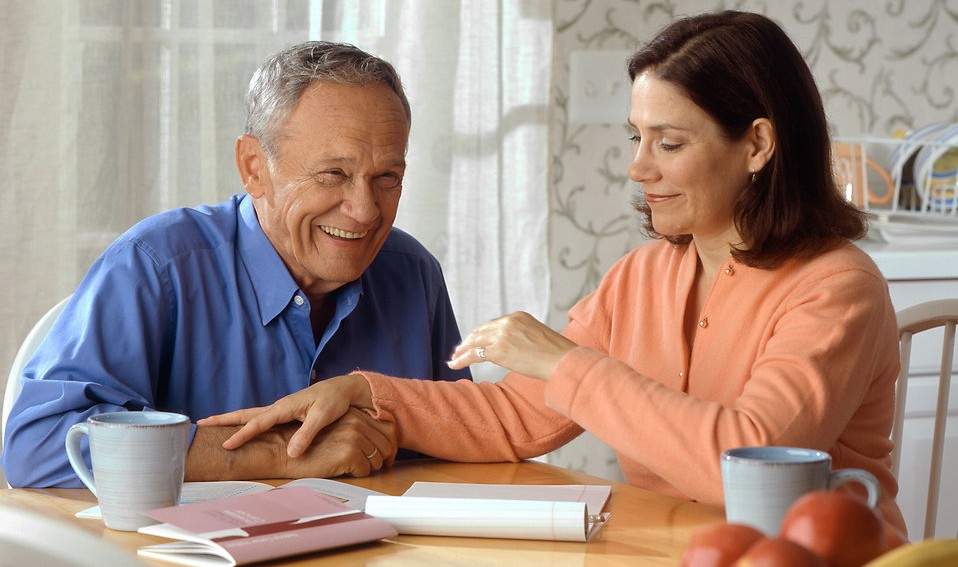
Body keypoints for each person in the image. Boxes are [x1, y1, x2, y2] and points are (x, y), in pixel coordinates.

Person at [203, 11, 907, 534]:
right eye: (637, 138)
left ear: (756, 144)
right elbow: (516, 415)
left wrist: (565, 360)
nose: (638, 167)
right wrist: (362, 389)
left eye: (668, 142)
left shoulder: (836, 286)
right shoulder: (645, 275)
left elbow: (747, 466)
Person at [1, 41, 471, 488]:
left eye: (387, 177)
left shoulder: (414, 273)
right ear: (253, 168)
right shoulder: (156, 266)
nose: (366, 211)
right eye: (334, 174)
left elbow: (470, 435)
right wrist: (278, 452)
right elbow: (38, 447)